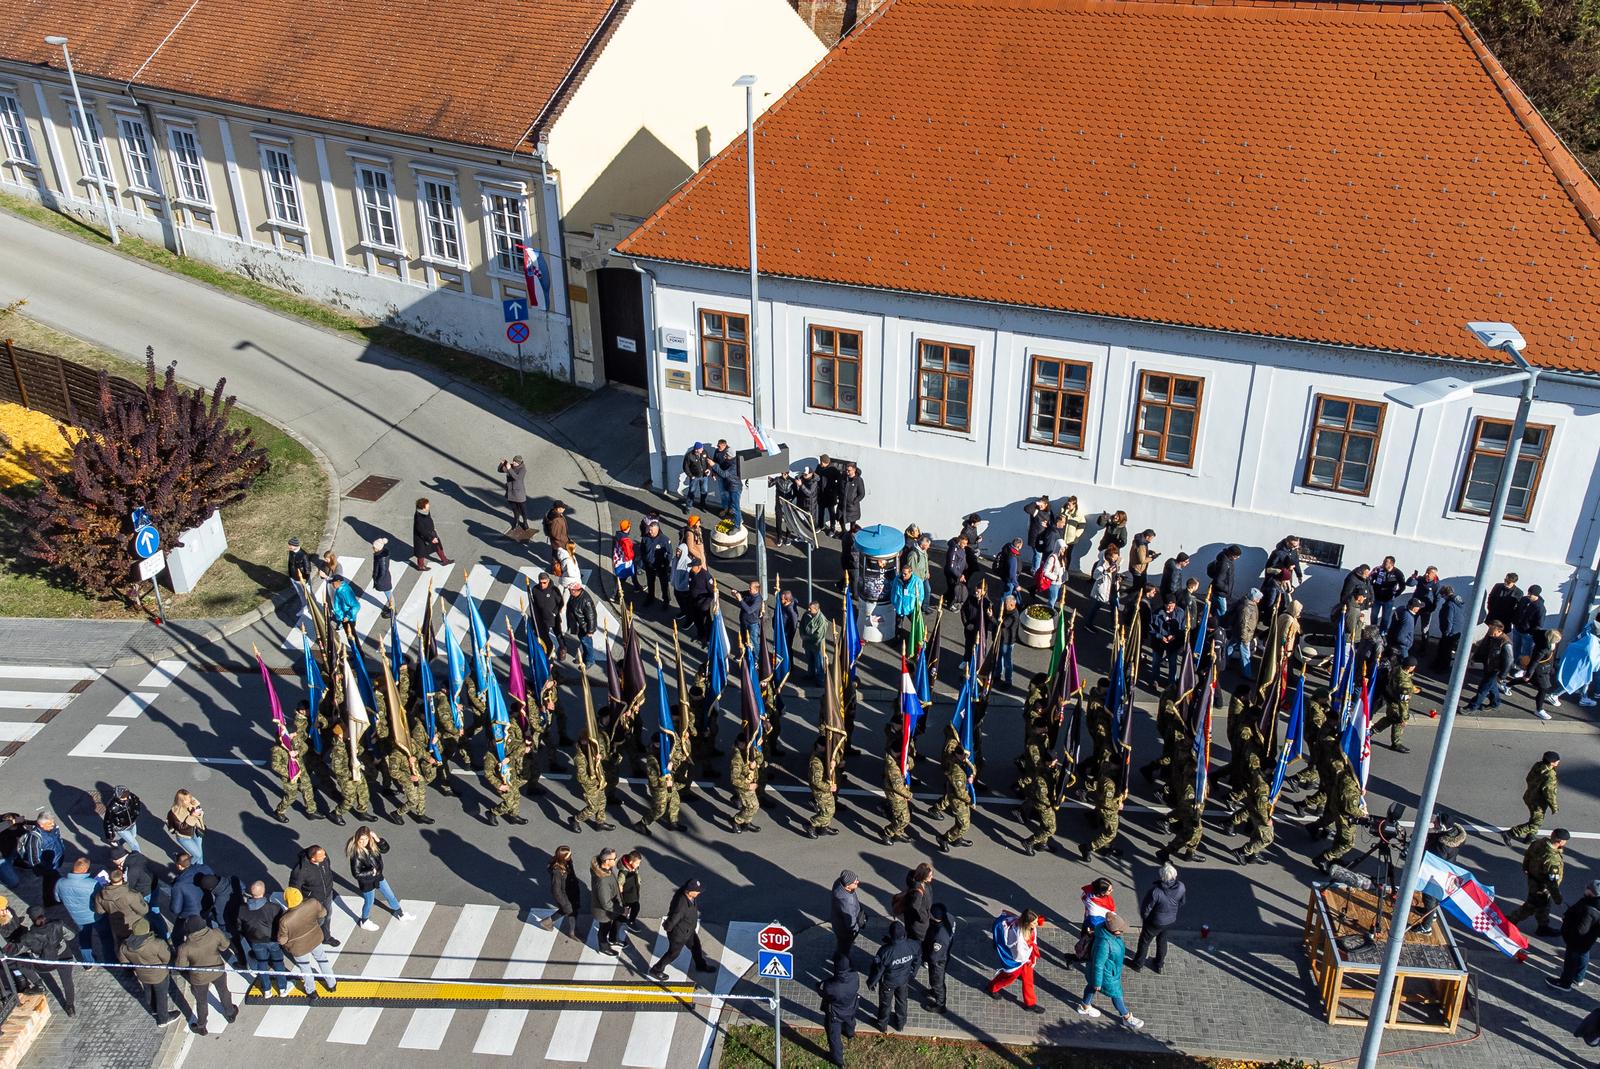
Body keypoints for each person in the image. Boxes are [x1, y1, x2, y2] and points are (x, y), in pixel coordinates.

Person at [1077, 912, 1144, 1030]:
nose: (1122, 932)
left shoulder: (1108, 934)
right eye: (1120, 930)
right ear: (1113, 930)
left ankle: (1084, 1006)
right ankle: (1127, 1018)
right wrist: (1098, 982)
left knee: (1091, 986)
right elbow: (1098, 964)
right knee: (1116, 993)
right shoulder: (1104, 943)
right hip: (1106, 974)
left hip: (1107, 971)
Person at [175, 914, 237, 1035]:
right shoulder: (215, 933)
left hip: (199, 978)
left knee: (201, 1001)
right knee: (224, 991)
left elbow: (181, 966)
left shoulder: (185, 947)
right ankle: (230, 1013)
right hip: (217, 969)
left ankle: (201, 1026)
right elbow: (225, 946)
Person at [649, 878, 716, 980]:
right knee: (673, 954)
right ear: (690, 892)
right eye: (697, 891)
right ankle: (657, 969)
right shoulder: (681, 905)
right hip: (679, 935)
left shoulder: (688, 896)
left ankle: (701, 965)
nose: (699, 893)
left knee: (696, 947)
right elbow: (674, 918)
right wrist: (668, 927)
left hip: (688, 930)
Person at [15, 908, 77, 1016]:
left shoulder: (28, 936)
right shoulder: (58, 924)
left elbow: (18, 951)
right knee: (67, 981)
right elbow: (71, 935)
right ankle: (70, 1007)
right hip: (64, 957)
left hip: (44, 964)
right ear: (44, 914)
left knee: (20, 964)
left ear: (32, 919)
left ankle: (39, 985)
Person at [1507, 829, 1568, 935]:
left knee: (1544, 906)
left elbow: (1528, 855)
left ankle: (1543, 926)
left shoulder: (1538, 843)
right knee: (1531, 906)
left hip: (1533, 878)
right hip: (1542, 886)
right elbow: (1552, 882)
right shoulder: (1552, 860)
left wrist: (1526, 868)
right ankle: (1510, 920)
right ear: (1561, 841)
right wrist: (1558, 899)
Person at [278, 887, 336, 997]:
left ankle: (311, 991)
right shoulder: (312, 903)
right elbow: (323, 913)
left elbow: (282, 940)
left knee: (305, 968)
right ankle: (332, 984)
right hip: (315, 938)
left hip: (298, 948)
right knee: (322, 960)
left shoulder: (285, 920)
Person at [347, 827, 408, 930]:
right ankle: (364, 921)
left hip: (378, 877)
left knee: (390, 895)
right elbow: (356, 874)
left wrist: (377, 839)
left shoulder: (372, 845)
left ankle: (401, 914)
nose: (363, 842)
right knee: (369, 902)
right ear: (357, 839)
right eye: (360, 840)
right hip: (367, 882)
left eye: (366, 839)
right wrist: (372, 872)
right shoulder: (356, 854)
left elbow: (385, 849)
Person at [120, 917, 177, 1026]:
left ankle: (154, 1010)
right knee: (161, 995)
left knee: (149, 992)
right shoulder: (157, 943)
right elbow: (167, 958)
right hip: (159, 975)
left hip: (142, 974)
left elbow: (124, 961)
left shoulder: (125, 945)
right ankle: (163, 1019)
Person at [1130, 863, 1185, 974]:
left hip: (1154, 922)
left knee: (1144, 942)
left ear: (1162, 877)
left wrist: (1145, 919)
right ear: (1175, 875)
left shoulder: (1156, 891)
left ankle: (1138, 964)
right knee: (1162, 940)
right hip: (1170, 920)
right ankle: (1159, 964)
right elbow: (1182, 902)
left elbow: (1146, 909)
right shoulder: (1181, 886)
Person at [867, 919, 919, 1033]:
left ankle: (882, 1024)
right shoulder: (913, 945)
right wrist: (912, 973)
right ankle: (900, 1024)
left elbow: (878, 970)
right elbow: (917, 959)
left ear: (891, 935)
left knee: (885, 1004)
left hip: (888, 982)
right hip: (904, 980)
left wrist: (872, 982)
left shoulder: (885, 951)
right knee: (902, 1001)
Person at [988, 908, 1044, 1011]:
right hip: (1016, 961)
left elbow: (1033, 942)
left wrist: (1033, 957)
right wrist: (1029, 959)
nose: (1037, 924)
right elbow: (1018, 954)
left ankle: (1030, 1004)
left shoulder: (1030, 928)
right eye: (1034, 922)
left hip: (1026, 959)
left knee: (1028, 980)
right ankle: (992, 987)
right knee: (1008, 978)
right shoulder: (1017, 937)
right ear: (1027, 923)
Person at [238, 881, 287, 998]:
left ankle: (266, 989)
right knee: (278, 963)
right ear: (263, 891)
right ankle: (282, 988)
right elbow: (281, 924)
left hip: (255, 941)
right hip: (272, 940)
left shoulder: (242, 909)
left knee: (262, 963)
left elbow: (239, 926)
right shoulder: (273, 908)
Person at [56, 857, 110, 965]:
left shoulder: (60, 883)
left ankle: (88, 962)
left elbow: (57, 898)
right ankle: (111, 959)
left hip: (77, 917)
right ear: (85, 870)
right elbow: (101, 898)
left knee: (84, 938)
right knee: (106, 937)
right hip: (96, 916)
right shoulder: (92, 883)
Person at [1550, 879, 1600, 990]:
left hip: (1577, 941)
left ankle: (1564, 983)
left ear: (1592, 892)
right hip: (1587, 941)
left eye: (1588, 887)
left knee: (1571, 962)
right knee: (1584, 955)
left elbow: (1581, 930)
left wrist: (1568, 932)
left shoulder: (1589, 909)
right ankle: (1578, 978)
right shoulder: (1592, 902)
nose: (1585, 888)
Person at [288, 845, 340, 947]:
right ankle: (311, 938)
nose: (325, 857)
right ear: (313, 859)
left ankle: (326, 937)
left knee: (328, 915)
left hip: (327, 894)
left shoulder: (324, 859)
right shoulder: (301, 871)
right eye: (321, 856)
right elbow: (294, 888)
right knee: (318, 920)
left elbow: (328, 870)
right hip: (313, 900)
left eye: (324, 854)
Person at [1370, 655, 1421, 752]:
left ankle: (1371, 731)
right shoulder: (1405, 683)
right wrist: (1404, 718)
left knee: (1390, 719)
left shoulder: (1397, 669)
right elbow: (1403, 702)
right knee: (1398, 721)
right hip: (1397, 703)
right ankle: (1396, 743)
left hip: (1390, 697)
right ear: (1410, 667)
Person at [1508, 751, 1561, 842]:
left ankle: (1530, 837)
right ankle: (1511, 833)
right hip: (1539, 802)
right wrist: (1554, 807)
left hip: (1530, 795)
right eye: (1557, 760)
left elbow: (1528, 778)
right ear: (1552, 763)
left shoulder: (1538, 765)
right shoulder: (1550, 775)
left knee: (1535, 817)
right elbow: (1549, 793)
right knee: (1536, 822)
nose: (1558, 761)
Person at [818, 954, 860, 1068]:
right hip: (851, 1007)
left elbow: (823, 993)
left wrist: (819, 986)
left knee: (834, 1037)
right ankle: (850, 1033)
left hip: (835, 1015)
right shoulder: (855, 976)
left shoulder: (831, 986)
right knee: (850, 1021)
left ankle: (838, 1060)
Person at [1465, 620, 1515, 712]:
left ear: (1499, 631)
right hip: (1488, 666)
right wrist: (1474, 658)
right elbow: (1483, 648)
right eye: (1490, 629)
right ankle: (1495, 703)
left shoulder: (1505, 643)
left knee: (1483, 689)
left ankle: (1472, 707)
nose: (1490, 632)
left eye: (1492, 630)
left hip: (1495, 670)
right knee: (1492, 686)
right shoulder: (1491, 636)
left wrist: (1502, 675)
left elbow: (1509, 660)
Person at [922, 903, 956, 1013]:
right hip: (944, 954)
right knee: (936, 981)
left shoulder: (939, 936)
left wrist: (925, 958)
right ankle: (935, 991)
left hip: (938, 961)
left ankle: (940, 1004)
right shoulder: (949, 918)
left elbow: (934, 956)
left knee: (937, 982)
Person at [590, 848, 624, 955]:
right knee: (604, 928)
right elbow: (606, 903)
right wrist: (621, 910)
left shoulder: (605, 869)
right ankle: (603, 946)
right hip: (604, 913)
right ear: (606, 861)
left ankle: (613, 938)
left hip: (611, 908)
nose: (616, 859)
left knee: (612, 924)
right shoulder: (602, 881)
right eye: (614, 858)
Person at [545, 846, 582, 935]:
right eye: (569, 855)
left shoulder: (566, 861)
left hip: (572, 890)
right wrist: (564, 903)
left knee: (572, 909)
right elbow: (556, 890)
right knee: (569, 909)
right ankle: (573, 931)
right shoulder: (557, 871)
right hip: (565, 894)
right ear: (563, 857)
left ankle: (548, 922)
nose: (571, 855)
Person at [831, 870, 866, 960]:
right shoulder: (847, 901)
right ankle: (842, 961)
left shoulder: (839, 883)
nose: (858, 882)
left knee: (841, 944)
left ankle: (838, 956)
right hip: (845, 930)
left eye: (857, 878)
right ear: (847, 886)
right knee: (845, 947)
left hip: (837, 924)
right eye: (855, 882)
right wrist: (855, 929)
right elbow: (850, 921)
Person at [1512, 584, 1548, 669]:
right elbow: (1517, 611)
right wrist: (1515, 622)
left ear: (1536, 595)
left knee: (1525, 652)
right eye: (1528, 593)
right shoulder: (1524, 600)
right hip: (1517, 629)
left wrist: (1532, 633)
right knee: (1515, 648)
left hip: (1528, 634)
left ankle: (1523, 668)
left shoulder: (1540, 608)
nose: (1528, 595)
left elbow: (1539, 624)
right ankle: (1514, 663)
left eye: (1531, 594)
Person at [1087, 545, 1121, 633]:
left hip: (1113, 588)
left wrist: (1118, 577)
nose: (1116, 558)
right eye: (1114, 557)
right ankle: (1088, 624)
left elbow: (1114, 575)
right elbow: (1095, 576)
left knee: (1114, 607)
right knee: (1096, 607)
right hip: (1103, 589)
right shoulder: (1102, 565)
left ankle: (1113, 625)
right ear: (1109, 557)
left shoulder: (1114, 564)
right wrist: (1106, 572)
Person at [565, 581, 599, 668]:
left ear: (576, 590)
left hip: (584, 628)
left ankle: (589, 660)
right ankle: (584, 657)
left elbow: (592, 617)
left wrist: (590, 631)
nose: (569, 591)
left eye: (570, 590)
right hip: (578, 626)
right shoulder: (574, 596)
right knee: (583, 642)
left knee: (587, 644)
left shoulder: (585, 600)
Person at [168, 789, 207, 863]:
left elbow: (200, 814)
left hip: (196, 831)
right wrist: (192, 816)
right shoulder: (174, 813)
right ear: (180, 801)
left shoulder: (193, 803)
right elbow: (182, 828)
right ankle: (184, 866)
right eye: (186, 799)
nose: (189, 800)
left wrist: (198, 812)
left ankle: (200, 871)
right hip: (184, 837)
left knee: (200, 855)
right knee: (197, 855)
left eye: (189, 797)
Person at [100, 784, 143, 853]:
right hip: (121, 828)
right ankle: (137, 857)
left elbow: (137, 804)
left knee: (134, 835)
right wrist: (110, 835)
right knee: (134, 845)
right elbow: (107, 822)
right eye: (123, 797)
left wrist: (136, 813)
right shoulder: (112, 807)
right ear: (118, 796)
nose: (126, 798)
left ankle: (118, 843)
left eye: (126, 796)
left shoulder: (132, 797)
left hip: (132, 823)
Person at [640, 518, 673, 607]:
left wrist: (665, 565)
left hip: (661, 566)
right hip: (649, 566)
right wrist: (645, 561)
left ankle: (666, 601)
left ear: (657, 530)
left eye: (652, 531)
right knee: (650, 583)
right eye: (649, 530)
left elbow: (670, 553)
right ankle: (650, 598)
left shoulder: (664, 540)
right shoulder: (645, 538)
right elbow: (642, 551)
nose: (650, 532)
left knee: (664, 584)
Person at [412, 497, 451, 569]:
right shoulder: (419, 518)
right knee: (421, 552)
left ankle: (444, 560)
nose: (429, 505)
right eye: (427, 504)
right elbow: (421, 530)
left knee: (438, 546)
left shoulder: (425, 512)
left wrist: (433, 529)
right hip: (423, 537)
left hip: (431, 533)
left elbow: (429, 521)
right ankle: (420, 566)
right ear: (423, 507)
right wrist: (431, 538)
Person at [1433, 585, 1466, 671]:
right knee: (1445, 649)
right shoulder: (1456, 602)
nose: (1442, 597)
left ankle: (1442, 668)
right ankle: (1439, 664)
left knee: (1445, 650)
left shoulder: (1449, 604)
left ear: (1445, 594)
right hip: (1456, 630)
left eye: (1442, 595)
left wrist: (1446, 632)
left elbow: (1449, 619)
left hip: (1450, 631)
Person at [890, 565, 924, 643]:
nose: (903, 575)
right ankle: (897, 639)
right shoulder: (897, 579)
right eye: (902, 573)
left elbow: (921, 596)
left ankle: (918, 639)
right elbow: (893, 592)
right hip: (899, 607)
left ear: (910, 573)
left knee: (916, 624)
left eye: (905, 574)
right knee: (898, 625)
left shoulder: (917, 582)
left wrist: (918, 606)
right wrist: (894, 603)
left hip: (911, 609)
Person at [497, 455, 529, 531]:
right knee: (514, 509)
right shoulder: (511, 466)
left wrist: (509, 469)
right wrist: (502, 464)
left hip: (519, 493)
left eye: (515, 462)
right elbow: (500, 470)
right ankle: (516, 521)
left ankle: (525, 522)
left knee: (523, 510)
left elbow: (517, 478)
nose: (513, 462)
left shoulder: (523, 469)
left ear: (519, 463)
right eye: (513, 461)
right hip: (510, 492)